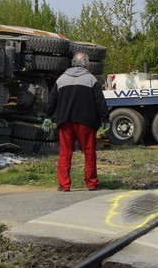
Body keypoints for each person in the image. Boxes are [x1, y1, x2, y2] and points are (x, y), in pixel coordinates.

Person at [43, 52, 109, 192]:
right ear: (86, 64)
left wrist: (48, 116)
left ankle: (64, 185)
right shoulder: (91, 79)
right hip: (86, 122)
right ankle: (91, 184)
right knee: (89, 153)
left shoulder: (61, 79)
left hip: (65, 121)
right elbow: (100, 102)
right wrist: (105, 118)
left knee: (65, 153)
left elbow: (52, 99)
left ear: (73, 63)